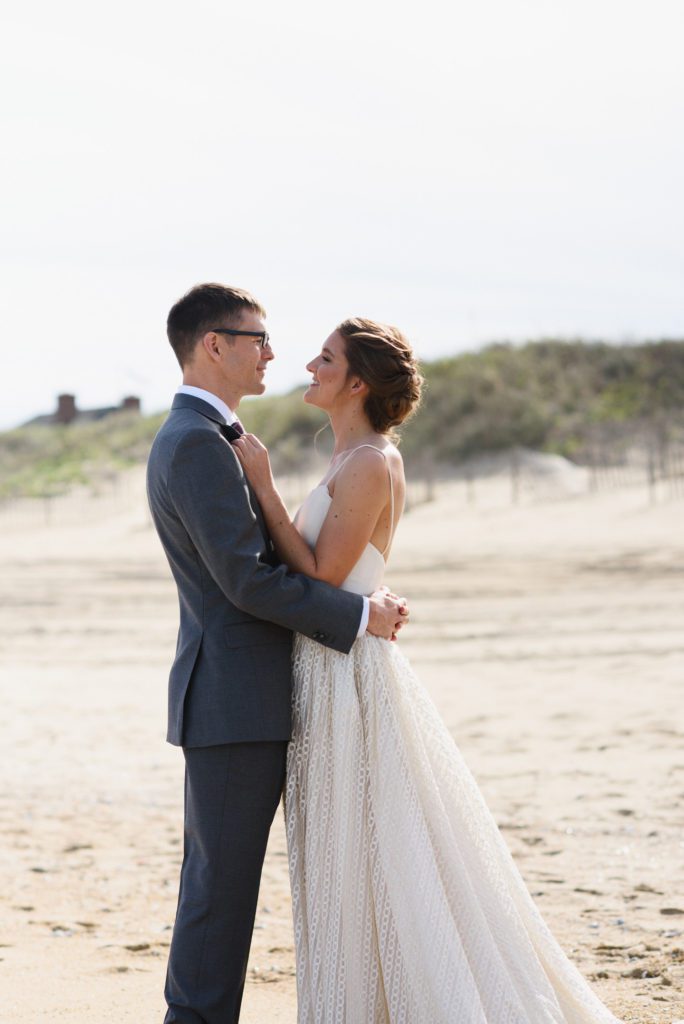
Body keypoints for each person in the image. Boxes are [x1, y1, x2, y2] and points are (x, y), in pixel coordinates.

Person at [233, 317, 625, 1024]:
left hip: (347, 677)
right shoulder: (350, 458)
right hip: (332, 664)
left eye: (325, 359)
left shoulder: (369, 463)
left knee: (376, 844)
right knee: (347, 848)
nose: (308, 366)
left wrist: (261, 485)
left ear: (356, 383)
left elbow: (321, 573)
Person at [146, 285, 409, 1024]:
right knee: (218, 892)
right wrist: (358, 615)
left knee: (227, 886)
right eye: (255, 338)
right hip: (234, 702)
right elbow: (246, 582)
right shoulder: (197, 442)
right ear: (213, 346)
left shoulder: (211, 437)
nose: (271, 353)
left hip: (254, 697)